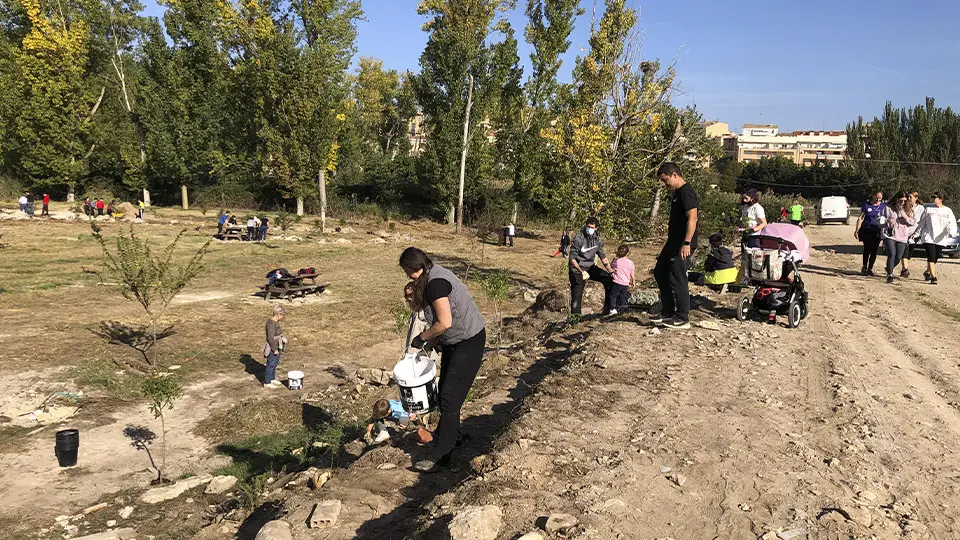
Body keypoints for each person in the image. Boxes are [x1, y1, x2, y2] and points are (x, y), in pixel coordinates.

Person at [400, 247, 486, 472]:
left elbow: (444, 322)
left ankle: (441, 455)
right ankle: (452, 437)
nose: (408, 276)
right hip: (455, 343)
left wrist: (421, 338)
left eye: (408, 271)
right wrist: (431, 343)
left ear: (417, 267)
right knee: (445, 392)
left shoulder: (436, 284)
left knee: (449, 398)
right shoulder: (432, 274)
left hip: (469, 342)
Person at [653, 162, 699, 329]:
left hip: (683, 243)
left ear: (674, 175)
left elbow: (692, 218)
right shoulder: (677, 193)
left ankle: (682, 317)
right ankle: (668, 310)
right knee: (660, 271)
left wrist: (687, 243)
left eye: (666, 180)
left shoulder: (687, 193)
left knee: (677, 277)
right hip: (672, 242)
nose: (665, 184)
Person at [568, 217, 614, 316]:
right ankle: (575, 319)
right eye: (588, 227)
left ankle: (608, 309)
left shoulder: (597, 240)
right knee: (577, 293)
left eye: (592, 227)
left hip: (590, 267)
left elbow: (602, 256)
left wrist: (610, 270)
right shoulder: (579, 238)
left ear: (596, 228)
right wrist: (581, 271)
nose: (589, 229)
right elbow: (572, 259)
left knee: (608, 279)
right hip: (577, 268)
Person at [918, 192, 957, 285]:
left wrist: (952, 232)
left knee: (935, 257)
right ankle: (933, 277)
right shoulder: (928, 209)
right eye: (932, 197)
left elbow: (952, 223)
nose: (933, 199)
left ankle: (927, 272)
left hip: (941, 238)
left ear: (940, 199)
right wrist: (916, 233)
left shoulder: (948, 211)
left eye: (935, 198)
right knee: (931, 255)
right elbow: (921, 223)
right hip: (928, 237)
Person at [880, 192, 916, 284]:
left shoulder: (909, 209)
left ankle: (889, 267)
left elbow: (913, 222)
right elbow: (879, 219)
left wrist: (905, 218)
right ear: (896, 199)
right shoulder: (888, 208)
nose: (903, 202)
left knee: (898, 257)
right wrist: (887, 221)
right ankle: (890, 275)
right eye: (901, 200)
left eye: (905, 200)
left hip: (902, 236)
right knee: (892, 253)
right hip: (890, 235)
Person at [854, 191, 886, 276]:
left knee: (874, 250)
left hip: (877, 230)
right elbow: (860, 217)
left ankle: (870, 268)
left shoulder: (883, 206)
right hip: (867, 229)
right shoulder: (866, 205)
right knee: (867, 248)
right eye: (876, 197)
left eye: (879, 198)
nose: (877, 199)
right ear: (873, 196)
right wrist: (857, 230)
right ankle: (864, 266)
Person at [606, 245, 635, 316]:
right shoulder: (631, 262)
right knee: (622, 296)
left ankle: (612, 309)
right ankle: (621, 309)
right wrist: (633, 281)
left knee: (612, 295)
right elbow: (632, 273)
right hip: (625, 283)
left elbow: (610, 267)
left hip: (617, 281)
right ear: (628, 253)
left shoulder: (616, 261)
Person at [901, 191, 925, 278]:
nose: (909, 199)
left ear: (916, 198)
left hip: (915, 234)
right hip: (903, 233)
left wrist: (917, 234)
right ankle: (905, 269)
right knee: (905, 251)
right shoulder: (904, 207)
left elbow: (922, 222)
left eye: (911, 197)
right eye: (908, 197)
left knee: (909, 253)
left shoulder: (921, 209)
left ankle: (904, 267)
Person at [262, 305, 286, 388]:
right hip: (273, 346)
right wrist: (274, 349)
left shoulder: (276, 322)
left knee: (275, 363)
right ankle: (267, 382)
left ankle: (272, 379)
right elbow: (270, 338)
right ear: (278, 314)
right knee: (271, 363)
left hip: (277, 344)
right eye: (282, 315)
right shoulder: (271, 324)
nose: (282, 317)